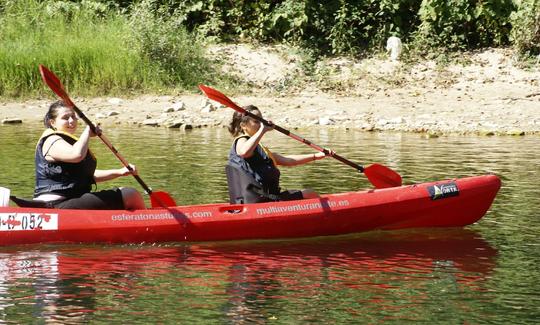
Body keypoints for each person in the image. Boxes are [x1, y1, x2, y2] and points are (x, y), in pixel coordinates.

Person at [33, 100, 145, 210]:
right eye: (65, 118)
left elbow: (87, 176)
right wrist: (87, 130)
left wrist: (120, 172)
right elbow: (76, 155)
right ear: (52, 122)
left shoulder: (67, 143)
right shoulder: (51, 140)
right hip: (55, 204)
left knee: (127, 194)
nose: (71, 121)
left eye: (73, 116)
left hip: (69, 201)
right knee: (131, 195)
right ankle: (146, 223)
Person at [226, 105, 332, 204]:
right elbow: (243, 152)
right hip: (262, 200)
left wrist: (316, 156)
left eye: (262, 120)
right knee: (309, 194)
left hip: (263, 199)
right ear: (243, 125)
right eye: (256, 121)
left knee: (309, 193)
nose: (261, 124)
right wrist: (263, 130)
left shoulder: (259, 149)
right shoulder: (242, 141)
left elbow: (288, 160)